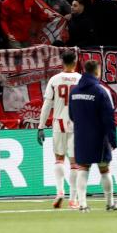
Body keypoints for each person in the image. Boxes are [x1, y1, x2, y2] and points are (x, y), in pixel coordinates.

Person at [69, 60, 117, 213]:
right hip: (99, 137)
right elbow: (109, 119)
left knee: (83, 169)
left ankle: (82, 204)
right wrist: (112, 140)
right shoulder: (101, 91)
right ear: (97, 71)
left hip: (80, 136)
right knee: (104, 169)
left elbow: (72, 115)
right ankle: (110, 203)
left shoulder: (74, 91)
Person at [37, 51, 82, 210]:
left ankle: (59, 191)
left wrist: (41, 126)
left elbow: (47, 105)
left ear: (62, 62)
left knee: (59, 159)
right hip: (77, 124)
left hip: (59, 123)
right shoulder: (81, 79)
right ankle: (73, 199)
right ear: (75, 62)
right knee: (75, 164)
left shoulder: (54, 80)